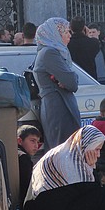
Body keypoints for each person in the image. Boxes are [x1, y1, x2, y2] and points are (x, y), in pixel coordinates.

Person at [34, 17, 80, 151]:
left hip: (59, 104)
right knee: (63, 152)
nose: (69, 36)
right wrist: (70, 79)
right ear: (56, 34)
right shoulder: (50, 53)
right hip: (59, 107)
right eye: (66, 32)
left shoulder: (53, 52)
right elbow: (72, 83)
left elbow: (70, 79)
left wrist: (70, 78)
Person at [17, 125, 41, 210]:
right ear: (19, 141)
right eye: (32, 141)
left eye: (38, 142)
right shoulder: (23, 158)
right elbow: (26, 188)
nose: (36, 146)